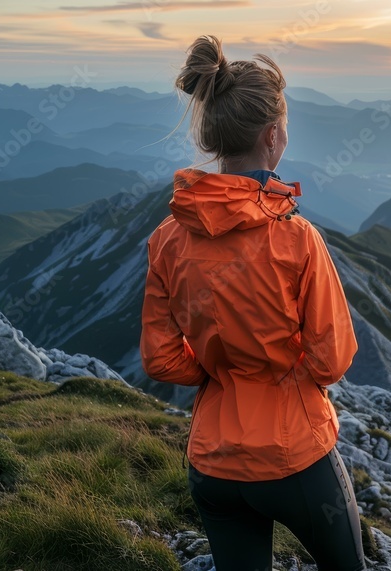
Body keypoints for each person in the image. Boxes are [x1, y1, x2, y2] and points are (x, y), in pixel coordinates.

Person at [139, 34, 365, 571]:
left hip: (212, 465)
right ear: (273, 136)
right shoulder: (295, 237)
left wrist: (222, 372)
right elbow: (332, 359)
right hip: (296, 460)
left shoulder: (168, 237)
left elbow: (161, 359)